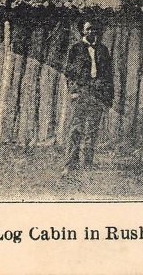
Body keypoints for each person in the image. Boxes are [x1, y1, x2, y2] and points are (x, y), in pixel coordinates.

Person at [61, 20, 114, 177]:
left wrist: (107, 96)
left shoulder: (103, 50)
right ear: (83, 31)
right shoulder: (75, 49)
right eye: (88, 29)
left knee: (92, 129)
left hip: (97, 95)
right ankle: (70, 163)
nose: (91, 32)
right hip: (81, 94)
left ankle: (88, 163)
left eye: (94, 29)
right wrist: (73, 91)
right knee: (76, 129)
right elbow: (68, 73)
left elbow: (108, 74)